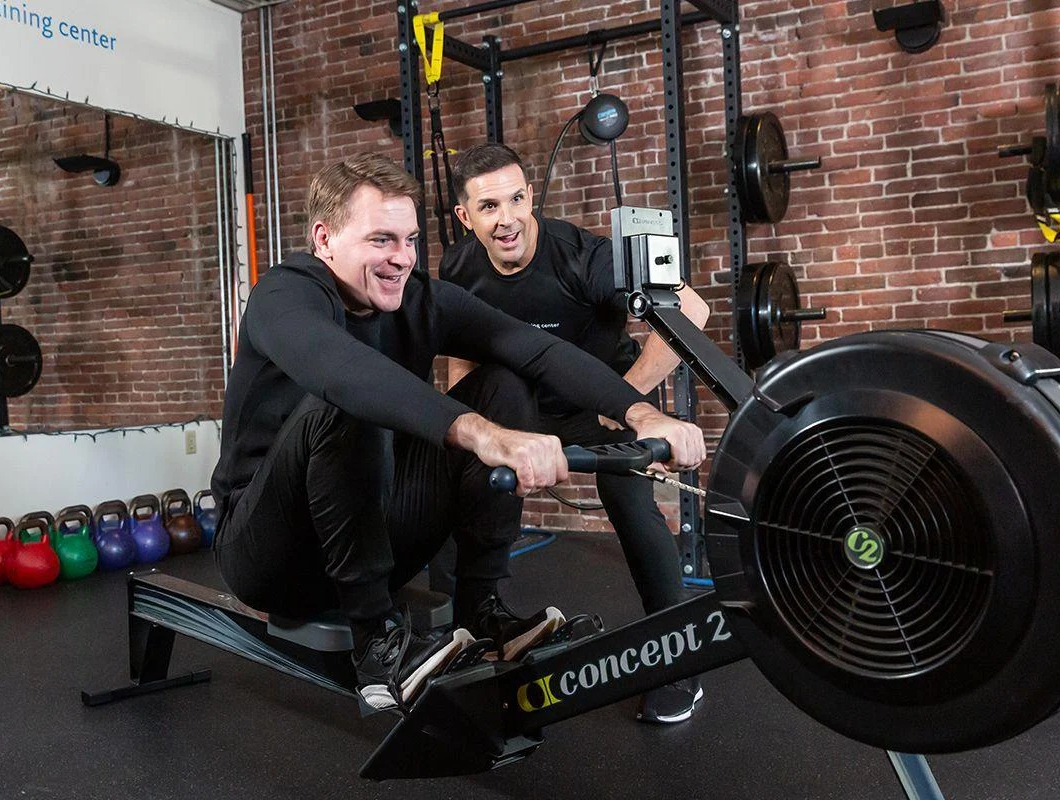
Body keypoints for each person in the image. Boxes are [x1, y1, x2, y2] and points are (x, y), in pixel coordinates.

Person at [209, 153, 705, 713]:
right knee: (349, 401)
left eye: (409, 240)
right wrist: (480, 434)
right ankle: (375, 642)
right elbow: (342, 372)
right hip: (269, 556)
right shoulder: (284, 294)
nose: (402, 258)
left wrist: (640, 413)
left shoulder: (417, 297)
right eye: (381, 240)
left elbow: (535, 349)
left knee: (504, 384)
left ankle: (482, 609)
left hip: (372, 538)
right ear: (324, 240)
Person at [438, 143, 711, 724]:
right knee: (458, 481)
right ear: (465, 217)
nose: (507, 219)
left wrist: (629, 399)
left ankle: (679, 663)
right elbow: (463, 355)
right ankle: (471, 632)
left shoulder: (583, 256)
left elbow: (691, 309)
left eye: (517, 199)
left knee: (628, 497)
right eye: (489, 207)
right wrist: (472, 428)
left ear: (530, 196)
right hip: (521, 410)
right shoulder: (458, 267)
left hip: (605, 403)